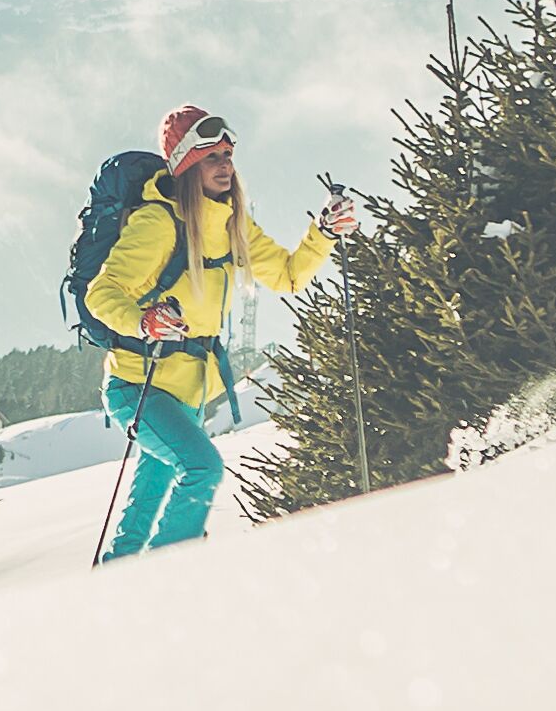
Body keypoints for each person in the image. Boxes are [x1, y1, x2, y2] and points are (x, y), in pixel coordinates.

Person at [81, 105, 353, 560]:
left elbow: (287, 275)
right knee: (202, 467)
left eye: (228, 155)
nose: (225, 166)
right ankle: (172, 570)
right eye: (212, 157)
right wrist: (143, 322)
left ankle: (118, 580)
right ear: (188, 164)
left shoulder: (231, 224)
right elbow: (101, 293)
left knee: (148, 498)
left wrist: (323, 233)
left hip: (188, 394)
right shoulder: (157, 223)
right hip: (137, 386)